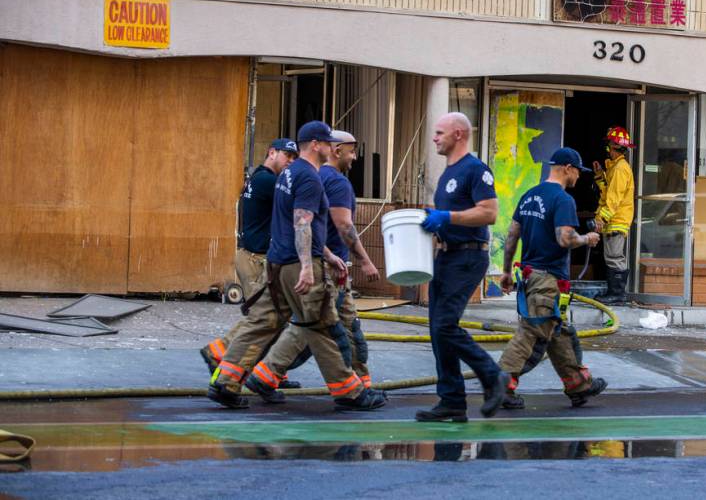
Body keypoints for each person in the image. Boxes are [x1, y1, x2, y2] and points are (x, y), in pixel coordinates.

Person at [207, 121, 386, 412]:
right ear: (316, 144)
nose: (332, 148)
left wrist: (326, 254)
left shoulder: (287, 174)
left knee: (262, 322)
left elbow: (300, 221)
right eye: (328, 143)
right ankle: (350, 392)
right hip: (297, 265)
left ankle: (225, 382)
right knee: (322, 326)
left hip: (276, 263)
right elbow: (302, 221)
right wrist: (307, 265)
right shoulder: (309, 178)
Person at [415, 112, 508, 423]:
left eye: (440, 132)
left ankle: (493, 375)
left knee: (445, 325)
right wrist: (433, 221)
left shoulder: (476, 170)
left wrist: (448, 218)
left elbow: (489, 213)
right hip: (446, 255)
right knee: (437, 330)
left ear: (458, 134)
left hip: (468, 257)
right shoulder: (447, 174)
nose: (435, 138)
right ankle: (451, 400)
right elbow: (452, 215)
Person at [498, 147, 608, 409]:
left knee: (558, 331)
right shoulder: (563, 199)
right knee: (533, 333)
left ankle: (578, 384)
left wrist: (505, 271)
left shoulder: (529, 196)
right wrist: (588, 238)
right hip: (548, 280)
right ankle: (500, 385)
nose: (579, 178)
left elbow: (512, 235)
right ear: (567, 168)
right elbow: (565, 238)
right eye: (577, 172)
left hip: (531, 276)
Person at [199, 138, 304, 388]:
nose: (291, 161)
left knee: (274, 317)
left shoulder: (257, 178)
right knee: (263, 319)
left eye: (294, 157)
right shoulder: (270, 182)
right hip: (257, 260)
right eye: (287, 156)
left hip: (251, 256)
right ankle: (220, 353)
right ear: (271, 153)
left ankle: (271, 371)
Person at [592, 126, 636, 305]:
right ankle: (614, 293)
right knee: (611, 255)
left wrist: (601, 218)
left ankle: (617, 294)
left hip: (616, 220)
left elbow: (613, 199)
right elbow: (606, 192)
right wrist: (599, 176)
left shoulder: (620, 169)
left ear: (615, 147)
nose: (607, 149)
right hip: (614, 219)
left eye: (609, 145)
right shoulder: (615, 168)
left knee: (614, 257)